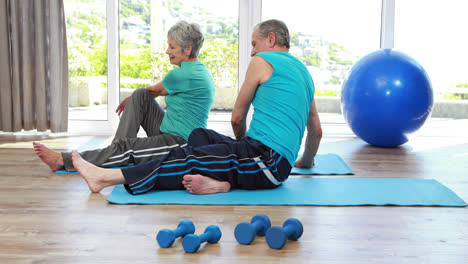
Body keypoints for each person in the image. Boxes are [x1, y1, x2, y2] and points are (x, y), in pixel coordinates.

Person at [71, 19, 322, 195]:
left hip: (263, 160)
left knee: (187, 156)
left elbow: (237, 117)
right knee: (199, 136)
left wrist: (241, 147)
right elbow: (316, 131)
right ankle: (220, 183)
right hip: (273, 162)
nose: (252, 52)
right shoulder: (306, 75)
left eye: (254, 44)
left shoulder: (263, 60)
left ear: (270, 39)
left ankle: (107, 177)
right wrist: (305, 162)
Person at [34, 21, 215, 172]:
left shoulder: (183, 74)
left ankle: (64, 160)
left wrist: (131, 100)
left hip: (181, 144)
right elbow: (148, 93)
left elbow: (156, 90)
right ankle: (116, 152)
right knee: (140, 94)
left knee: (129, 141)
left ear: (188, 48)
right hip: (168, 130)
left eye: (172, 47)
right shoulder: (197, 70)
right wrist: (134, 98)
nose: (167, 51)